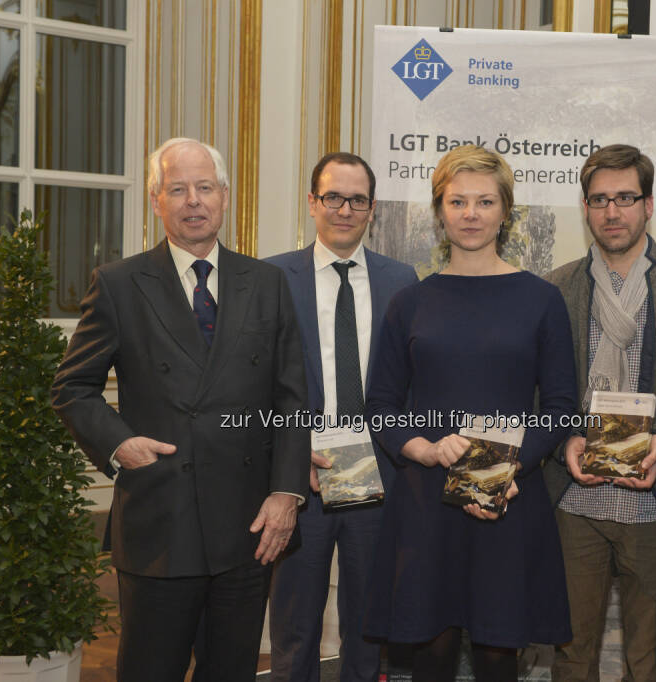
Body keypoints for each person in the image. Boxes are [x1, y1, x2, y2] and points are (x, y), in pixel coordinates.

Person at [51, 137, 310, 682]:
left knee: (231, 671)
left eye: (204, 187)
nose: (193, 201)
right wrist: (119, 443)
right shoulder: (119, 284)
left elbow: (290, 398)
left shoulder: (266, 282)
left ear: (223, 195)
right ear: (156, 201)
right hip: (159, 519)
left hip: (248, 525)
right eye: (178, 189)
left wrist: (287, 492)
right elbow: (73, 386)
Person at [362, 144, 577, 681]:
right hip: (426, 499)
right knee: (430, 652)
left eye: (485, 201)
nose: (471, 214)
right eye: (457, 201)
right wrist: (426, 449)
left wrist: (506, 471)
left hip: (507, 497)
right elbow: (382, 406)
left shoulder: (540, 299)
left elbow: (558, 408)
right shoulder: (410, 302)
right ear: (440, 211)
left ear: (506, 211)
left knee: (499, 653)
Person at [544, 145, 656, 681]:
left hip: (654, 500)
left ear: (649, 204)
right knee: (571, 652)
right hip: (575, 499)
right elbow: (539, 386)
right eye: (599, 200)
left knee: (650, 658)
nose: (612, 212)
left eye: (625, 198)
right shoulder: (554, 288)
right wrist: (564, 435)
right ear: (585, 208)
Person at [265, 152, 417, 682]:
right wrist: (288, 452)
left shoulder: (402, 280)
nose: (344, 209)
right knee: (294, 621)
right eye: (333, 197)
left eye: (357, 200)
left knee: (369, 621)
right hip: (300, 477)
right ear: (312, 203)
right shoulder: (272, 277)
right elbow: (253, 381)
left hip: (377, 474)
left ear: (371, 209)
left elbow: (410, 380)